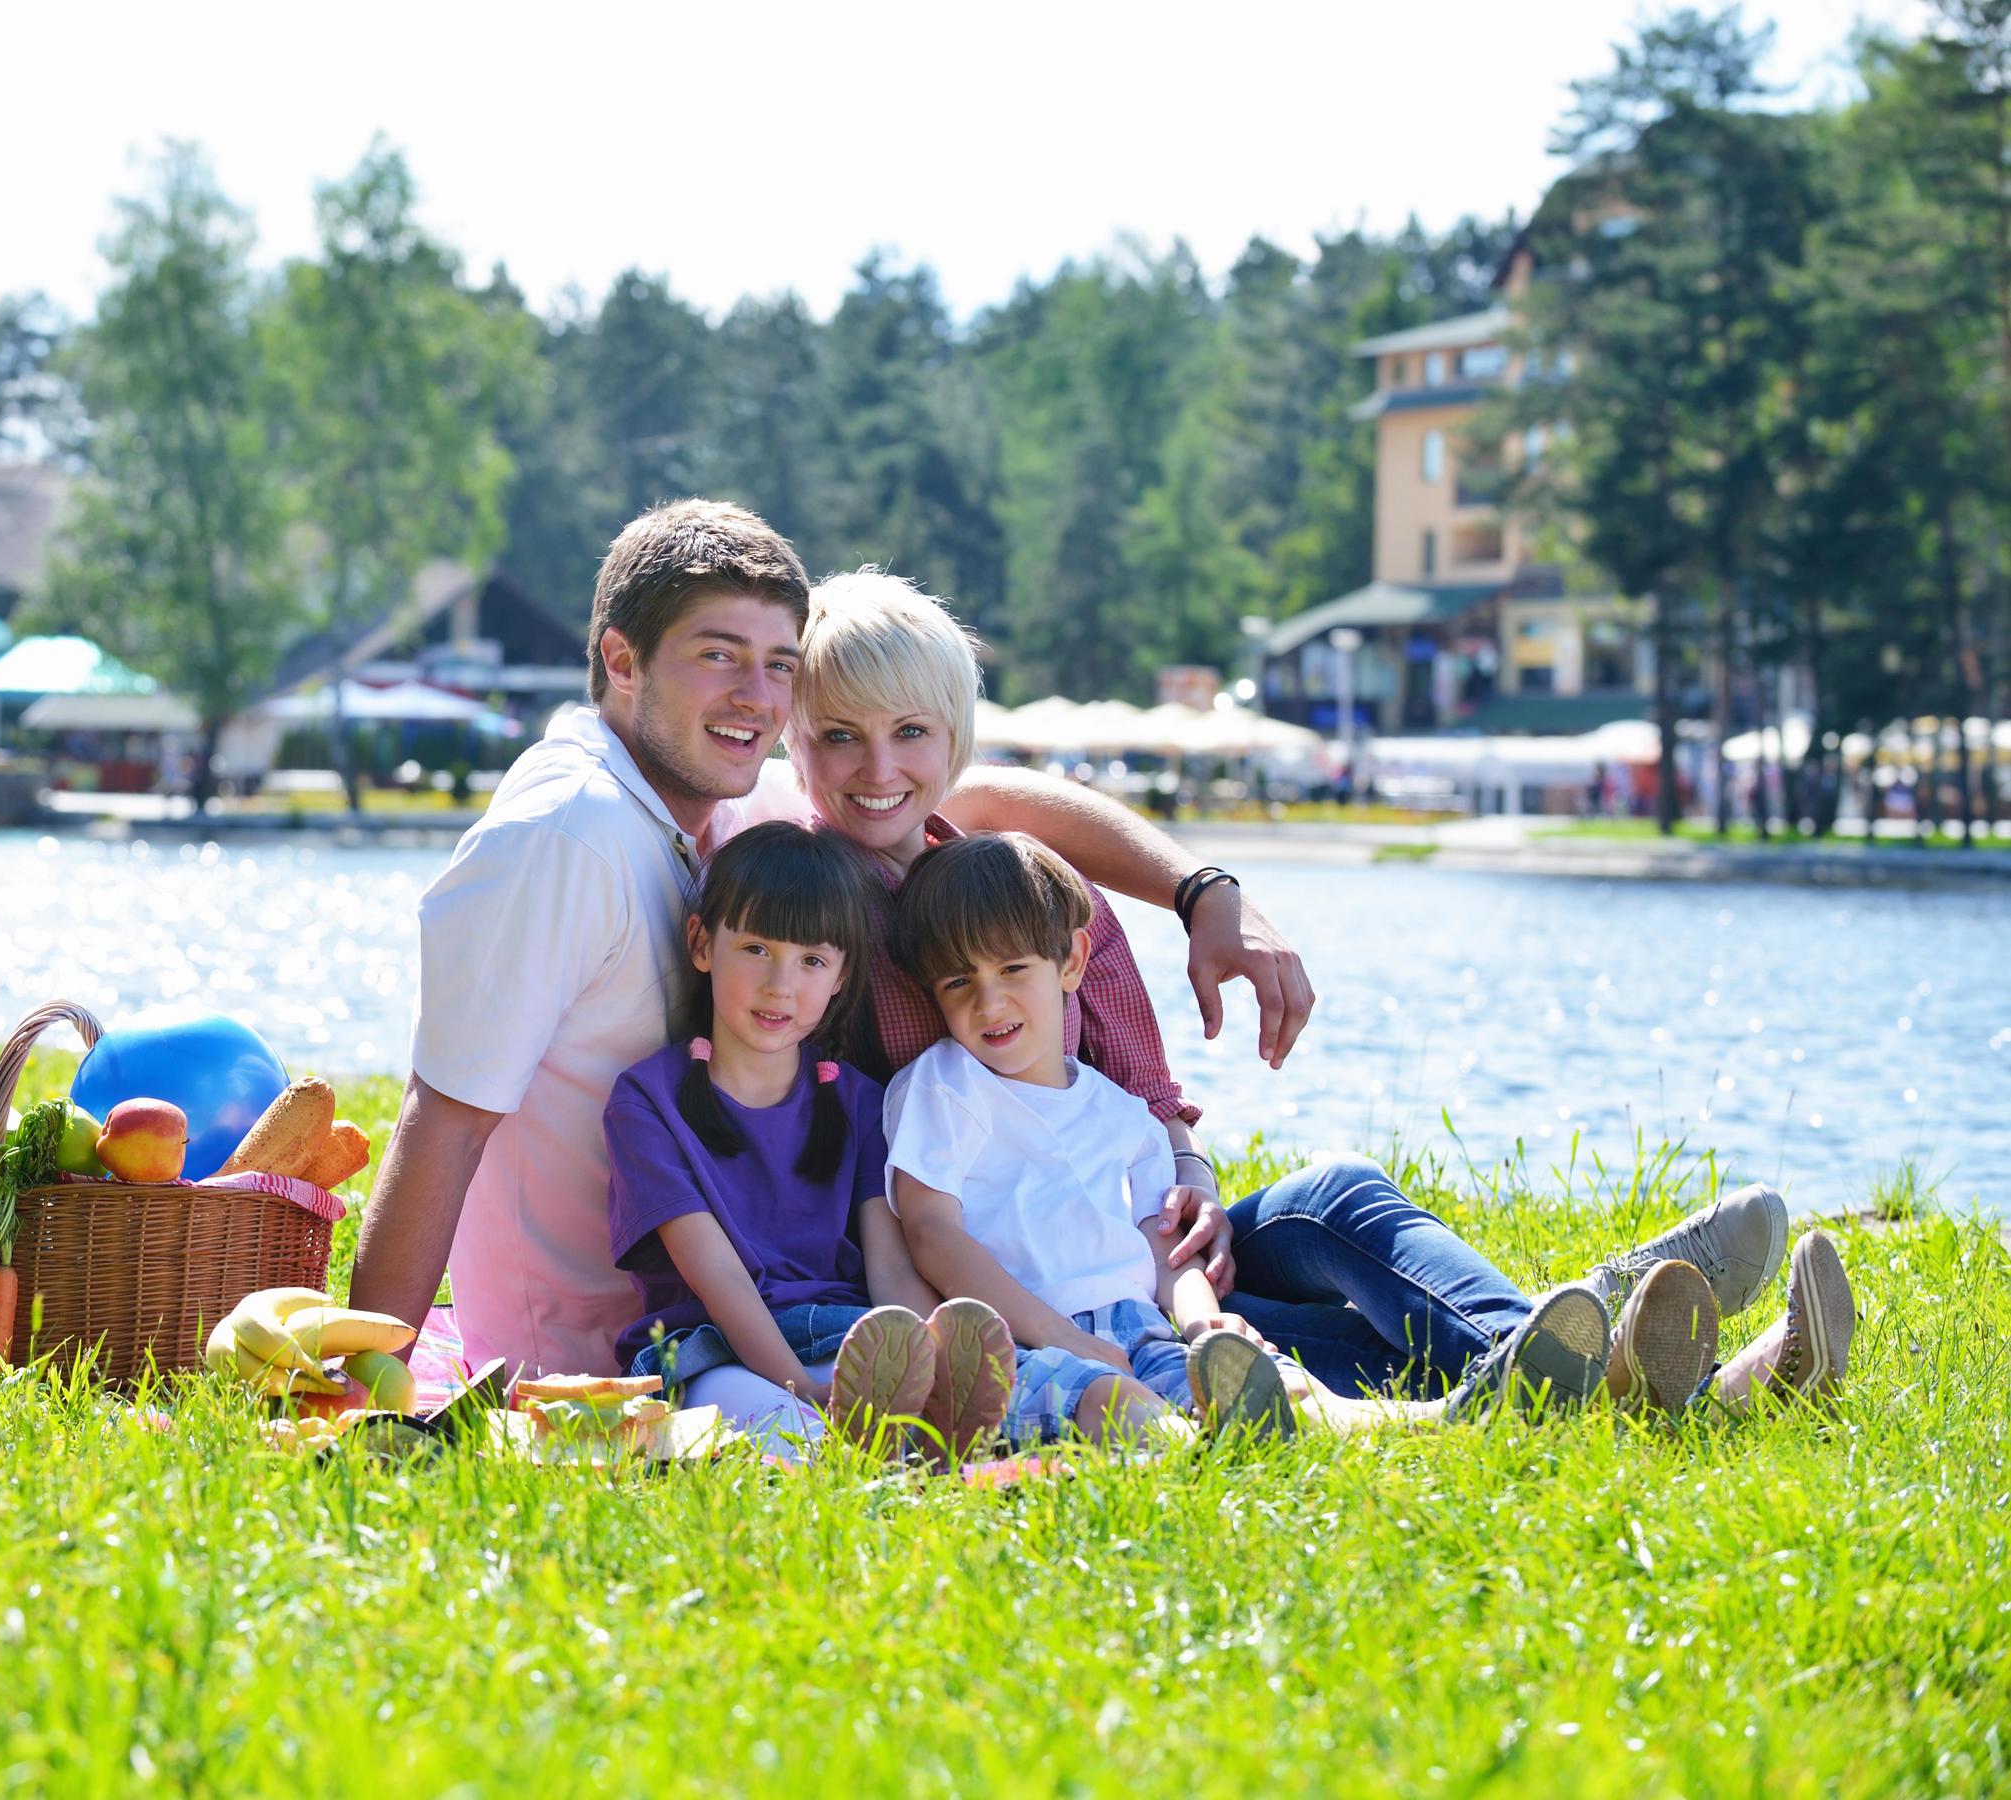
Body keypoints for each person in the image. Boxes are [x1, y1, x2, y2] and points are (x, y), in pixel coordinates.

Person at [767, 568, 1854, 1414]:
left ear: (953, 741)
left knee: (1333, 1200)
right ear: (793, 744)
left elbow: (1144, 1096)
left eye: (911, 734)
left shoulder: (1025, 882)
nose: (877, 768)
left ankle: (1613, 1345)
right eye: (840, 738)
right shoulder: (798, 906)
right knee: (1320, 1345)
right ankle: (1667, 1363)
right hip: (1034, 1288)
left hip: (1135, 1239)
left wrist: (1188, 1183)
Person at [348, 502, 1317, 1375]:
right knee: (1241, 1296)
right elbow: (443, 1115)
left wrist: (1201, 891)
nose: (756, 697)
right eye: (718, 654)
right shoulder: (563, 836)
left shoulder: (719, 800)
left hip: (793, 1295)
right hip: (610, 1348)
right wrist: (369, 1389)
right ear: (621, 659)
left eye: (778, 666)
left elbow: (974, 795)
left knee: (1318, 1224)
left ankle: (1343, 1371)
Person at [883, 830, 1617, 1441]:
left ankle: (1452, 1413)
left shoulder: (1121, 1115)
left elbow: (1162, 1243)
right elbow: (932, 1235)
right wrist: (1066, 1339)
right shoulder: (944, 1086)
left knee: (1268, 1382)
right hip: (1024, 1333)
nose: (989, 1001)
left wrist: (1204, 1321)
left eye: (1013, 969)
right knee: (1113, 1401)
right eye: (957, 984)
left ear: (1071, 961)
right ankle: (1196, 1447)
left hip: (1142, 1324)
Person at [602, 821, 1004, 1456]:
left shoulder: (859, 1100)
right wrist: (801, 1390)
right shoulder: (647, 1101)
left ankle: (919, 1428)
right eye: (757, 948)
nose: (780, 985)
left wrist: (923, 1344)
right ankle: (866, 1445)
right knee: (782, 1427)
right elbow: (719, 1279)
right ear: (703, 944)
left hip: (843, 1340)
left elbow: (890, 1262)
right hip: (714, 1350)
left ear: (841, 976)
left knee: (893, 1397)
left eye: (812, 960)